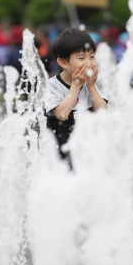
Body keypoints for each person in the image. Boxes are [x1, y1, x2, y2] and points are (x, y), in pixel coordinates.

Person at [46, 28, 108, 166]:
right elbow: (61, 114)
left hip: (87, 150)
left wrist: (91, 86)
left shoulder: (90, 84)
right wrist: (76, 85)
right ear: (63, 62)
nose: (89, 63)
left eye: (92, 57)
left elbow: (103, 112)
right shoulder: (52, 86)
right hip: (61, 152)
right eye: (81, 58)